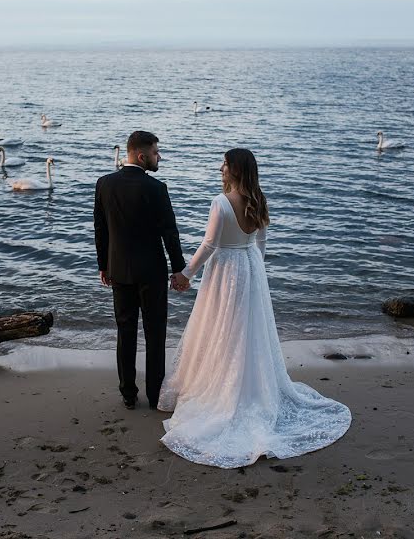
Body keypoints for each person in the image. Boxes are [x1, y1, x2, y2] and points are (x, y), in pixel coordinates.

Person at [158, 148, 351, 468]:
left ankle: (223, 388)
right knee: (247, 331)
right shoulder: (259, 200)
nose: (221, 168)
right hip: (249, 268)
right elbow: (261, 246)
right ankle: (250, 385)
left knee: (222, 327)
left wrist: (186, 274)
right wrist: (255, 277)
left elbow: (209, 244)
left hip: (225, 270)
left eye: (224, 164)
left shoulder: (220, 203)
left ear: (233, 170)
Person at [94, 131, 188, 410]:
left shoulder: (105, 184)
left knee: (125, 332)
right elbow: (170, 233)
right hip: (152, 272)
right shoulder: (157, 188)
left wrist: (103, 265)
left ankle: (128, 393)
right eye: (156, 152)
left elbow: (101, 229)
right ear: (141, 155)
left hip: (119, 270)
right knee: (155, 332)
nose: (159, 157)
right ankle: (155, 393)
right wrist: (179, 268)